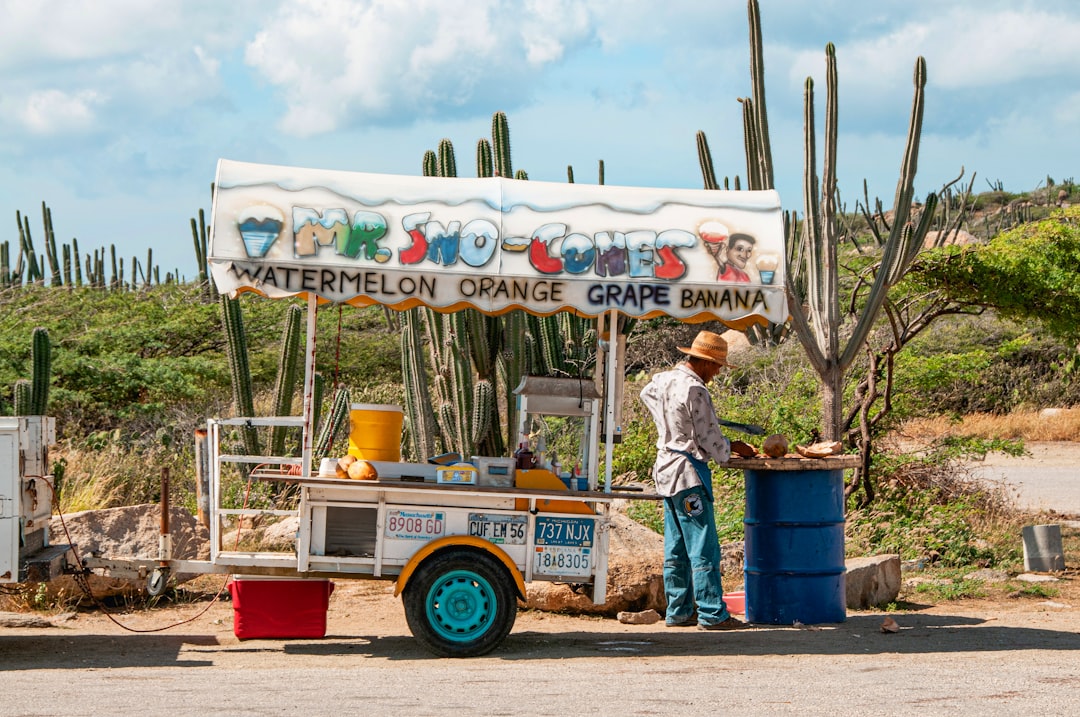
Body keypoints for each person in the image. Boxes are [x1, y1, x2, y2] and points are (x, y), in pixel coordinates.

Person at [639, 330, 752, 630]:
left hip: (666, 469)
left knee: (676, 545)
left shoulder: (662, 380)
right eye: (716, 366)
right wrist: (732, 448)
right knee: (703, 544)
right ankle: (712, 613)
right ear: (704, 362)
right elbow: (708, 436)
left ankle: (678, 610)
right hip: (687, 473)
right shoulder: (695, 389)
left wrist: (668, 424)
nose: (717, 373)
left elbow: (645, 394)